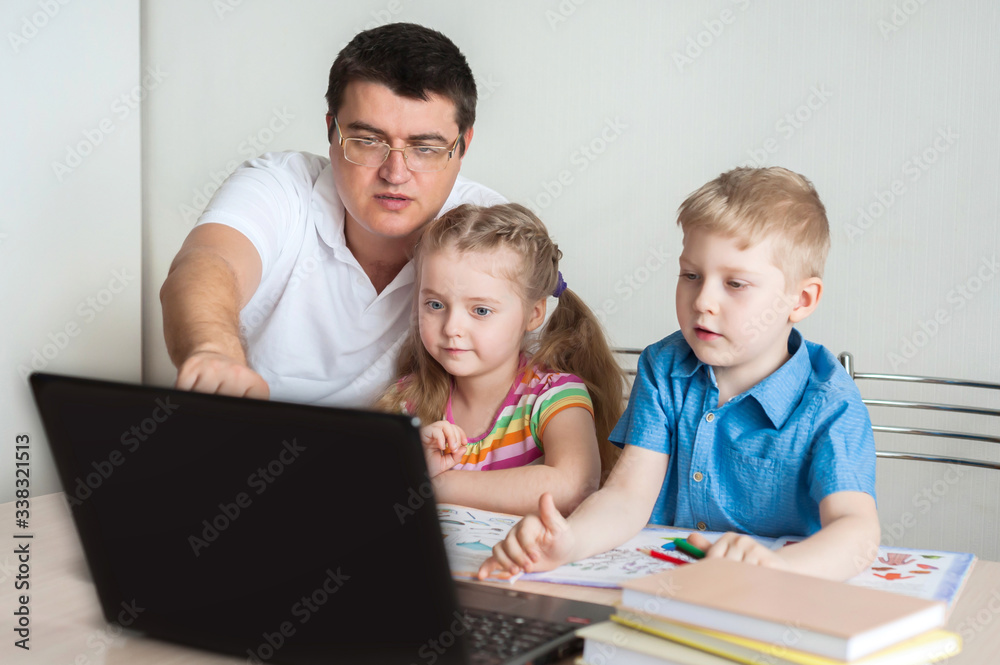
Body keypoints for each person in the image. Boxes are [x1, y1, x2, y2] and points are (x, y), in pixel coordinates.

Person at [479, 167, 880, 581]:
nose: (703, 300)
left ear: (801, 299)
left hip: (776, 598)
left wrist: (780, 568)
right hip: (666, 588)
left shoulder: (830, 401)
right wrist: (569, 541)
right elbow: (627, 497)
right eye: (691, 275)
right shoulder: (665, 366)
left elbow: (857, 530)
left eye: (736, 284)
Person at [160, 23, 503, 406]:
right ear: (332, 131)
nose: (395, 173)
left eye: (424, 148)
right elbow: (207, 263)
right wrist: (213, 350)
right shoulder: (281, 185)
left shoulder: (492, 231)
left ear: (463, 145)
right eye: (368, 141)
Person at [377, 203, 626, 515]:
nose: (452, 328)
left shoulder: (553, 396)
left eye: (481, 310)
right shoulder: (408, 399)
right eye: (435, 305)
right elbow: (364, 488)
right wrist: (411, 462)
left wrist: (429, 483)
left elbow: (573, 486)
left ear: (533, 314)